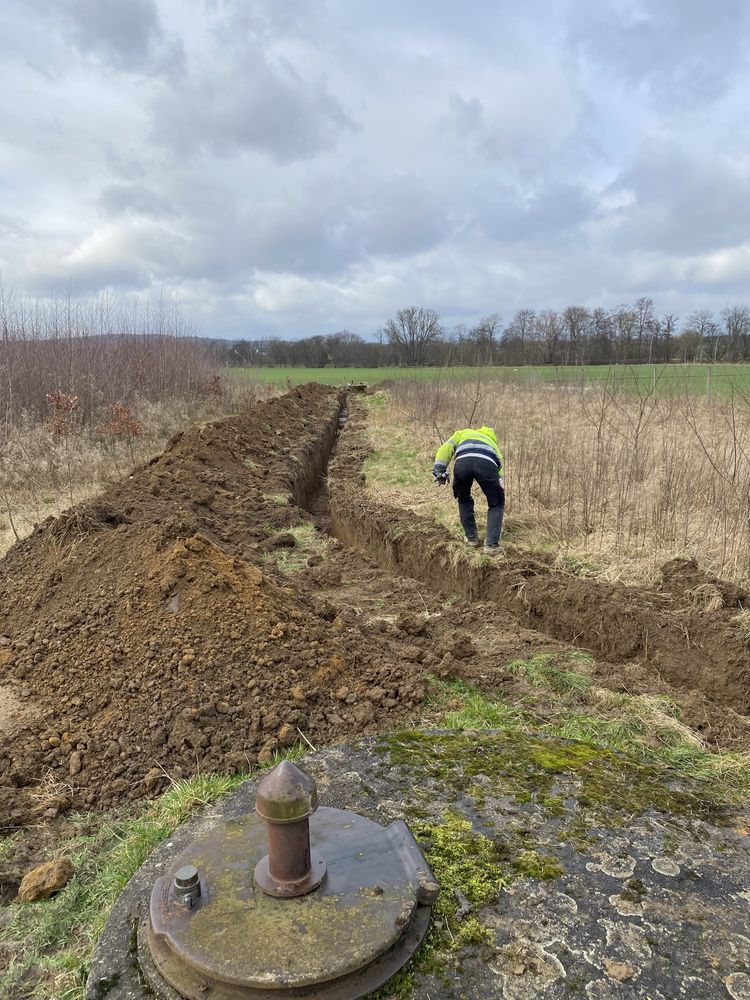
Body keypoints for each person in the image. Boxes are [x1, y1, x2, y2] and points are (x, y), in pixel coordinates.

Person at [432, 426, 504, 554]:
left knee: (463, 498)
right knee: (496, 504)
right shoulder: (492, 442)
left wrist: (440, 471)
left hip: (462, 463)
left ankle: (471, 538)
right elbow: (499, 464)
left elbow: (446, 448)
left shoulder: (462, 433)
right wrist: (499, 483)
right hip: (486, 464)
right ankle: (491, 545)